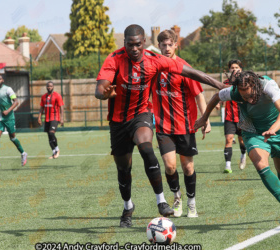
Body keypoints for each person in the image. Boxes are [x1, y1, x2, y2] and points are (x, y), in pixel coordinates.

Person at [95, 24, 225, 228]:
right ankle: (128, 206)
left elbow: (192, 74)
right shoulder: (114, 59)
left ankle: (162, 201)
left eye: (138, 44)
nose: (135, 49)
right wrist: (105, 93)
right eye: (130, 45)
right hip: (118, 121)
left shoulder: (155, 60)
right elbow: (100, 88)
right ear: (125, 44)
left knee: (146, 147)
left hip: (141, 114)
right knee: (123, 169)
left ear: (144, 43)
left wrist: (220, 86)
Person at [195, 71, 280, 226]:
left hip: (276, 131)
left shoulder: (268, 85)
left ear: (256, 86)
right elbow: (216, 97)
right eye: (245, 98)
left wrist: (274, 129)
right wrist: (204, 118)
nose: (249, 100)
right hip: (252, 132)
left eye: (251, 95)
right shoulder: (235, 92)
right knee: (260, 165)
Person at [152, 29, 211, 218]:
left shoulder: (185, 68)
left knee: (188, 167)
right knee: (169, 166)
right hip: (163, 127)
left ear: (176, 45)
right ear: (159, 46)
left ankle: (192, 202)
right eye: (163, 45)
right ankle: (177, 198)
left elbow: (199, 95)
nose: (167, 48)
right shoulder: (154, 67)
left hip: (185, 126)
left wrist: (205, 119)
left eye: (170, 45)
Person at [220, 60, 247, 173]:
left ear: (241, 69)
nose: (234, 69)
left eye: (237, 67)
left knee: (242, 141)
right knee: (228, 139)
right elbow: (220, 95)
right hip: (229, 117)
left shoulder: (246, 81)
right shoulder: (226, 82)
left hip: (243, 117)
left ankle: (243, 154)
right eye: (232, 67)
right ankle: (228, 166)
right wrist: (218, 103)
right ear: (229, 70)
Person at [0, 73, 27, 168]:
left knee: (12, 138)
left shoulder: (8, 89)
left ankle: (23, 153)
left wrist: (8, 110)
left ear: (3, 80)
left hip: (9, 117)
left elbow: (16, 101)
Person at [38, 81, 64, 159]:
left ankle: (57, 149)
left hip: (55, 118)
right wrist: (39, 117)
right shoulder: (43, 97)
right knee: (49, 136)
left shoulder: (57, 96)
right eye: (48, 86)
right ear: (46, 87)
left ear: (53, 87)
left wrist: (62, 118)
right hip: (47, 119)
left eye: (51, 86)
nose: (49, 87)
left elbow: (62, 107)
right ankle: (54, 152)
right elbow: (41, 108)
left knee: (51, 133)